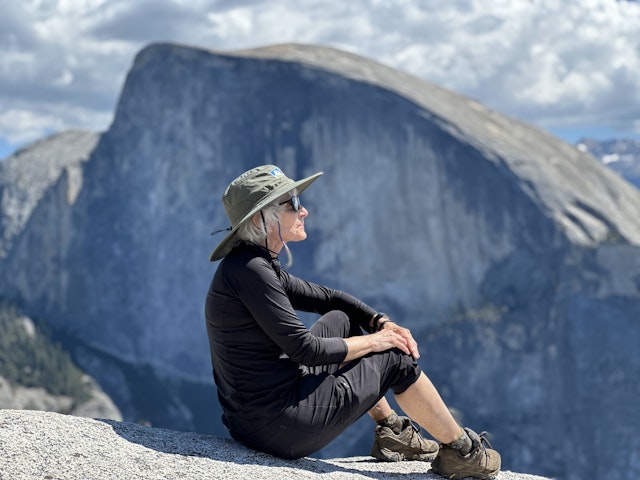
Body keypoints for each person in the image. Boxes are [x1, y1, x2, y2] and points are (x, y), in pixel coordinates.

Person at [205, 165, 501, 479]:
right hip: (279, 425)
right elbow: (305, 350)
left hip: (256, 418)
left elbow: (331, 299)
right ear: (258, 219)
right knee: (396, 359)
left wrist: (382, 322)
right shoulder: (252, 271)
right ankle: (462, 452)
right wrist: (381, 341)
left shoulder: (250, 265)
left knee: (342, 320)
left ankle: (393, 433)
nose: (303, 210)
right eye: (290, 202)